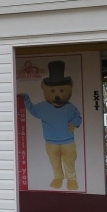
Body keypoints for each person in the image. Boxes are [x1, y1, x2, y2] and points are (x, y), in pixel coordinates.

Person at [21, 61, 83, 190]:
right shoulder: (42, 107)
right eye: (53, 90)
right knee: (54, 162)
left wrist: (74, 123)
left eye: (61, 90)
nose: (57, 95)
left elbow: (78, 116)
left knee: (69, 161)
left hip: (68, 142)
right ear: (44, 87)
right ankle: (58, 177)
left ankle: (71, 179)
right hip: (50, 142)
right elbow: (32, 108)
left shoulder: (70, 107)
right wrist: (26, 98)